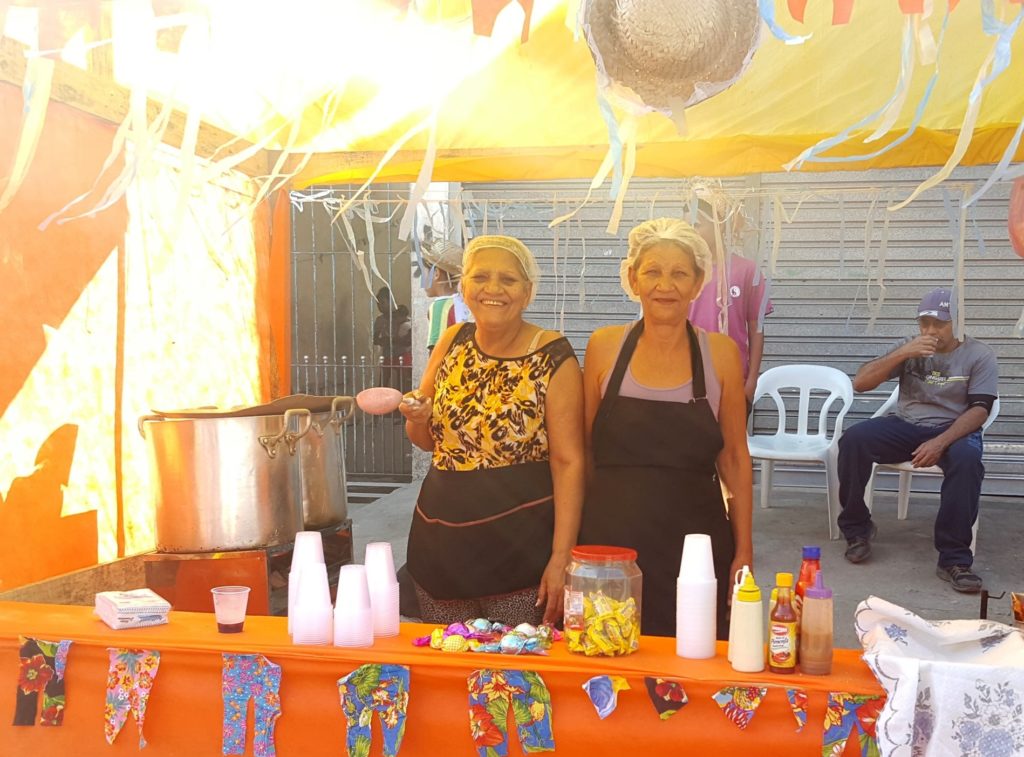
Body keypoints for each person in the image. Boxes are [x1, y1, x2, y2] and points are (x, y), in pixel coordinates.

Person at [579, 218, 754, 638]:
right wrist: (573, 546)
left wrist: (744, 550)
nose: (665, 285)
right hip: (610, 542)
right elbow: (582, 452)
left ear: (698, 285)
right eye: (653, 271)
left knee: (696, 658)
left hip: (696, 544)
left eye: (679, 274)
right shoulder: (604, 347)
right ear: (632, 279)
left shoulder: (721, 354)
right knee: (609, 655)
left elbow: (733, 457)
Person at [398, 235, 584, 626]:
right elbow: (427, 441)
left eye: (509, 280)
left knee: (516, 673)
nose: (493, 289)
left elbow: (569, 462)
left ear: (528, 292)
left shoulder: (553, 354)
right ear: (464, 286)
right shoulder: (451, 341)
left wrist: (562, 555)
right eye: (481, 277)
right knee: (449, 663)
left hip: (520, 551)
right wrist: (416, 418)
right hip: (441, 546)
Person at [837, 287, 999, 593]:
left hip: (954, 429)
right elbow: (860, 383)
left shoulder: (980, 355)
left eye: (939, 323)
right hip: (907, 424)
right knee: (854, 439)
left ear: (959, 322)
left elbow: (980, 410)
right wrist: (903, 353)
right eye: (924, 323)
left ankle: (954, 559)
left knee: (967, 461)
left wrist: (940, 442)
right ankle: (857, 530)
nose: (930, 330)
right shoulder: (908, 348)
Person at [688, 199, 773, 413]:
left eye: (697, 224)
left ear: (719, 225)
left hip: (733, 379)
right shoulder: (681, 272)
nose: (691, 231)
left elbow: (756, 329)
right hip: (686, 380)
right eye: (687, 225)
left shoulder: (746, 270)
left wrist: (752, 380)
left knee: (731, 445)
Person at [422, 241, 472, 353]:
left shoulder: (439, 306)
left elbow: (436, 350)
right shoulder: (466, 302)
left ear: (436, 273)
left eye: (424, 272)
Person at [372, 288, 413, 391]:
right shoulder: (380, 320)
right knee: (383, 383)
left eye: (383, 303)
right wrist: (383, 341)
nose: (380, 306)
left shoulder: (403, 316)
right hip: (387, 354)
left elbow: (411, 337)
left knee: (403, 384)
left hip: (402, 354)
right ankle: (381, 405)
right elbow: (375, 339)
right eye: (378, 304)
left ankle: (401, 405)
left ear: (390, 301)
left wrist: (397, 340)